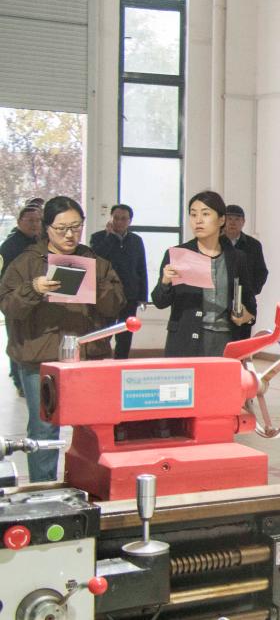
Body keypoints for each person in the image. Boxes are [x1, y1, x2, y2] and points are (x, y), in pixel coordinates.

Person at [0, 196, 125, 482]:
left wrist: (95, 286)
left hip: (88, 357)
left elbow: (116, 304)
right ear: (47, 228)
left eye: (76, 227)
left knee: (93, 425)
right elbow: (8, 306)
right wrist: (33, 288)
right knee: (44, 428)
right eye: (61, 228)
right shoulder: (26, 263)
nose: (70, 235)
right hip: (40, 359)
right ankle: (43, 490)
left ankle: (91, 485)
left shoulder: (96, 263)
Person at [151, 191, 257, 357]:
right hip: (186, 340)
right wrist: (165, 282)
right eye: (193, 215)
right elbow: (159, 301)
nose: (198, 220)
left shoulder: (237, 258)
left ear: (221, 220)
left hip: (226, 340)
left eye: (205, 214)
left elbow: (249, 302)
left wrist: (247, 317)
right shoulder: (178, 254)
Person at [90, 204, 147, 358]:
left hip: (130, 295)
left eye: (123, 219)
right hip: (106, 294)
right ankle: (100, 361)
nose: (119, 222)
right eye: (116, 218)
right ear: (110, 218)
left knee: (126, 333)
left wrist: (143, 296)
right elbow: (96, 259)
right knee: (104, 332)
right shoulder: (98, 238)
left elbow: (141, 268)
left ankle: (121, 362)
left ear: (130, 221)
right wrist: (110, 237)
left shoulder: (136, 240)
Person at [1, 205, 42, 395]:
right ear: (19, 222)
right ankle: (19, 383)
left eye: (38, 220)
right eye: (30, 220)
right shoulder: (9, 246)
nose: (35, 224)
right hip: (16, 301)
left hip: (37, 300)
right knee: (17, 341)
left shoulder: (41, 242)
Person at [223, 204, 268, 339]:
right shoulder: (215, 243)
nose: (232, 223)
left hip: (244, 302)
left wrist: (250, 291)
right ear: (222, 221)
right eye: (229, 219)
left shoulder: (253, 245)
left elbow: (262, 272)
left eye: (237, 219)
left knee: (241, 340)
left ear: (243, 222)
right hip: (221, 301)